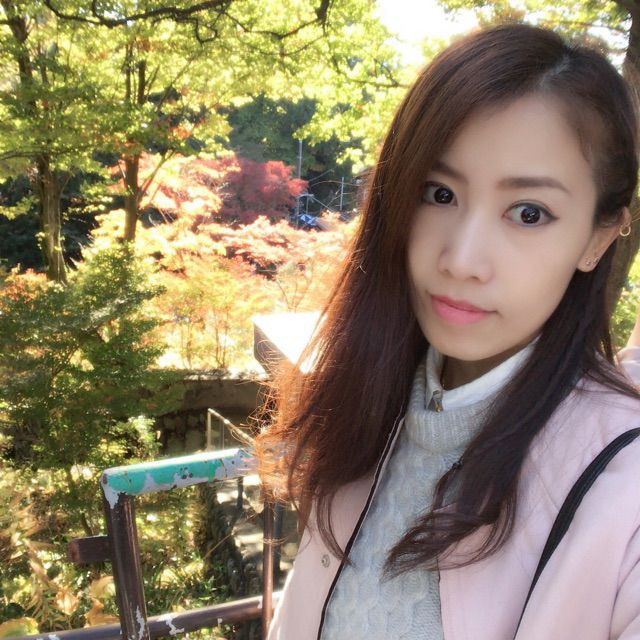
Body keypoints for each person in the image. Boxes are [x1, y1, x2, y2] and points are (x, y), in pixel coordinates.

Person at [257, 23, 640, 640]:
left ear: (597, 237)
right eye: (439, 194)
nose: (461, 260)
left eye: (529, 213)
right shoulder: (371, 399)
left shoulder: (623, 487)